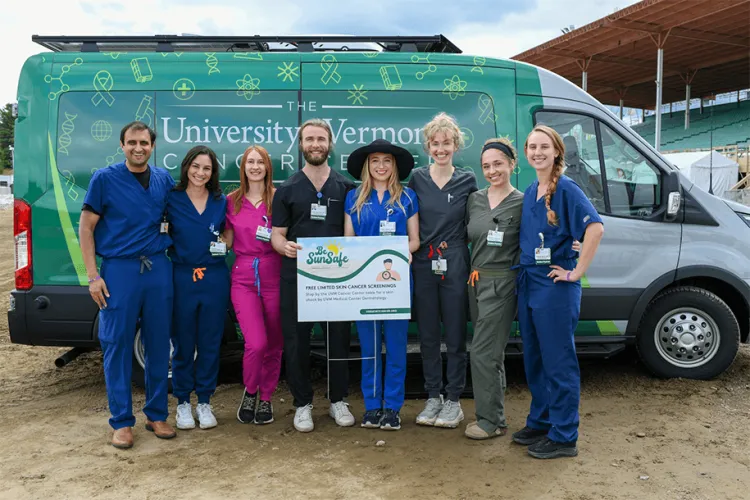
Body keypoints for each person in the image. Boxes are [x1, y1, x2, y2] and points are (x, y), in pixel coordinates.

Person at [79, 121, 176, 449]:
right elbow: (87, 228)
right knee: (117, 343)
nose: (139, 147)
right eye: (132, 142)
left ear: (152, 146)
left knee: (159, 343)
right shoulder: (104, 179)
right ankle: (121, 421)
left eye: (145, 143)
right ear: (122, 145)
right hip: (119, 271)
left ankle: (157, 413)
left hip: (158, 268)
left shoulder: (164, 179)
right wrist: (94, 276)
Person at [512, 125, 604, 459]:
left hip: (554, 286)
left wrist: (576, 270)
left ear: (556, 152)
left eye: (544, 147)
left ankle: (565, 435)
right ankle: (542, 420)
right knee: (535, 357)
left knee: (558, 361)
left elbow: (594, 227)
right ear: (525, 152)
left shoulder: (566, 188)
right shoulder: (532, 190)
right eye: (532, 146)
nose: (537, 152)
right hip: (529, 283)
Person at [271, 119, 357, 432]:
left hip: (335, 281)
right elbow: (276, 235)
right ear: (302, 145)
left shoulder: (346, 187)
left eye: (321, 139)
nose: (315, 144)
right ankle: (303, 404)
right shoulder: (288, 189)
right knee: (296, 342)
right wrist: (284, 247)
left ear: (330, 143)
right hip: (297, 279)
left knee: (338, 338)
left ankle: (338, 400)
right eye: (309, 139)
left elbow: (352, 235)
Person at [343, 139, 420, 431]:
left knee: (397, 345)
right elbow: (348, 240)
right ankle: (373, 406)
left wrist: (404, 252)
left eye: (387, 160)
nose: (381, 166)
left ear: (394, 165)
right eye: (375, 160)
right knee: (370, 346)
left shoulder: (407, 197)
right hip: (365, 283)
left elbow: (415, 240)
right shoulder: (354, 198)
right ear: (367, 165)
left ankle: (393, 408)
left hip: (396, 282)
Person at [408, 112, 477, 428]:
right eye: (435, 144)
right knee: (429, 335)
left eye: (446, 143)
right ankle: (433, 396)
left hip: (456, 262)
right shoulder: (417, 179)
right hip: (423, 262)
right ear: (427, 146)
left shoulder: (468, 180)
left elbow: (477, 222)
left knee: (455, 334)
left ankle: (454, 400)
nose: (440, 149)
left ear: (456, 145)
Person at [464, 138, 524, 440]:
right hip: (476, 282)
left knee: (483, 353)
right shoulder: (475, 199)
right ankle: (498, 419)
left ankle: (488, 422)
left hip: (502, 284)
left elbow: (546, 233)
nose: (492, 170)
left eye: (498, 163)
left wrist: (574, 244)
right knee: (493, 355)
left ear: (512, 164)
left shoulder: (524, 202)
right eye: (486, 165)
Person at [166, 145, 229, 431]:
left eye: (206, 168)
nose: (200, 173)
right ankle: (182, 402)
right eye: (196, 166)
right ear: (186, 167)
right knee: (182, 343)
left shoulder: (220, 200)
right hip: (182, 276)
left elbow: (228, 230)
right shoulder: (171, 198)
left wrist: (226, 242)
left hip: (214, 277)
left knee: (210, 343)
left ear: (213, 172)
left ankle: (204, 401)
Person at [225, 145, 283, 426]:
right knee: (256, 343)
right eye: (251, 162)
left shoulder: (278, 198)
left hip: (274, 273)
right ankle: (250, 390)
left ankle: (267, 397)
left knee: (275, 342)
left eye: (261, 162)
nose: (256, 166)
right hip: (244, 276)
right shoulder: (231, 201)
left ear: (268, 166)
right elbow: (224, 238)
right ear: (244, 167)